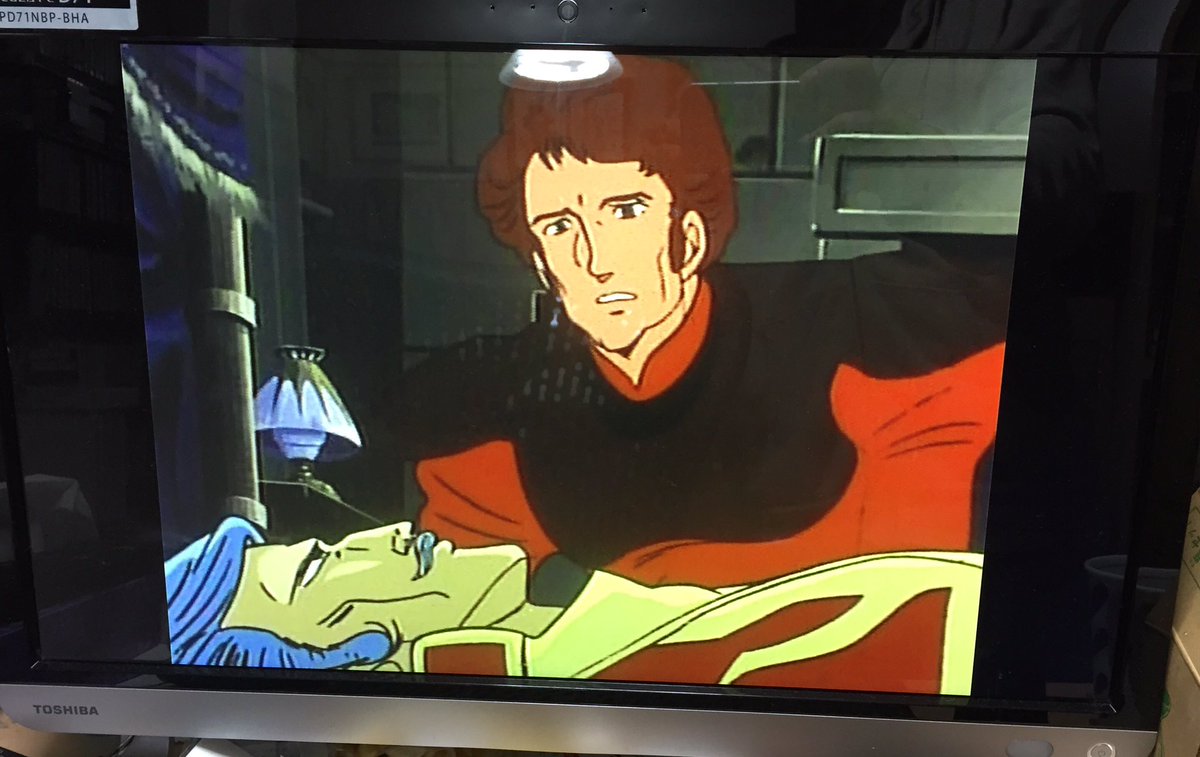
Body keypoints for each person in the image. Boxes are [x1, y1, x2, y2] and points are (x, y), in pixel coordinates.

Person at [389, 55, 1009, 591]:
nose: (594, 260)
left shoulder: (859, 335)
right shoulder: (488, 417)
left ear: (688, 233)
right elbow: (464, 616)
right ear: (540, 263)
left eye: (624, 211)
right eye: (558, 227)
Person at [165, 516, 983, 695]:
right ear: (339, 656)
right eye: (319, 565)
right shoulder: (670, 675)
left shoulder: (621, 634)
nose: (384, 532)